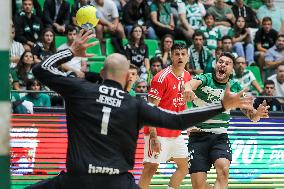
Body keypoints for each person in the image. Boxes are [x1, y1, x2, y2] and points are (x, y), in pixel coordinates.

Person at [26, 30, 253, 189]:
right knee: (150, 169)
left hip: (75, 181)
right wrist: (223, 105)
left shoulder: (80, 90)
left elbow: (41, 69)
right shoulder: (134, 104)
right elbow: (178, 121)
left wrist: (71, 51)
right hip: (117, 183)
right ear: (128, 79)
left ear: (102, 74)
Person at [184, 52, 270, 189]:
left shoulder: (235, 87)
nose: (223, 64)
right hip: (197, 137)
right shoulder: (205, 78)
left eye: (227, 63)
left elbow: (251, 115)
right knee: (198, 186)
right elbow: (189, 84)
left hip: (220, 137)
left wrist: (257, 114)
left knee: (223, 169)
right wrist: (188, 89)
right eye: (220, 62)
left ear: (232, 70)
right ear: (216, 65)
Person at [139, 43, 191, 189]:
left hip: (176, 133)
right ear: (171, 56)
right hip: (158, 132)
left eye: (183, 54)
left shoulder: (187, 75)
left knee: (185, 166)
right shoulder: (161, 78)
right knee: (150, 168)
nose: (180, 57)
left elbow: (182, 103)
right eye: (177, 54)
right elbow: (151, 110)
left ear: (187, 56)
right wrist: (154, 136)